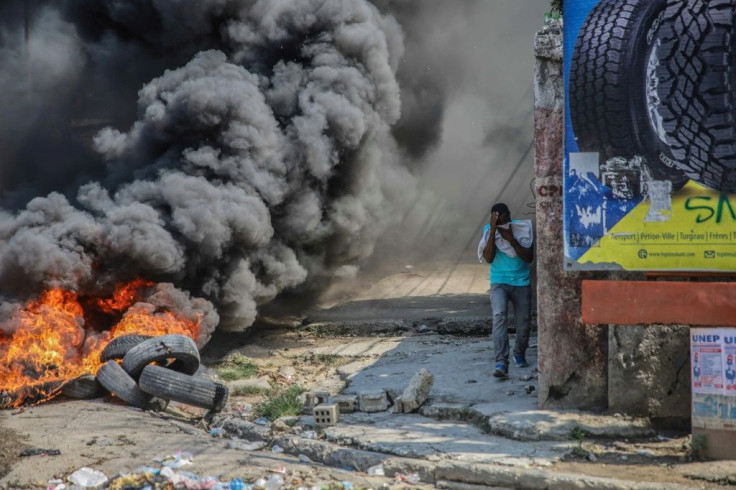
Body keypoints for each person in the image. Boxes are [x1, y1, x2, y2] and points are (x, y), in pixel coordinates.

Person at [478, 203, 533, 379]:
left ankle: (519, 352)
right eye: (499, 218)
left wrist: (510, 238)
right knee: (499, 316)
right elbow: (488, 257)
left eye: (505, 217)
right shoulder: (489, 231)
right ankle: (501, 361)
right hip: (499, 282)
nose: (504, 220)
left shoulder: (520, 228)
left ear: (509, 215)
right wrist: (493, 231)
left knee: (523, 321)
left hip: (521, 282)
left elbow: (529, 257)